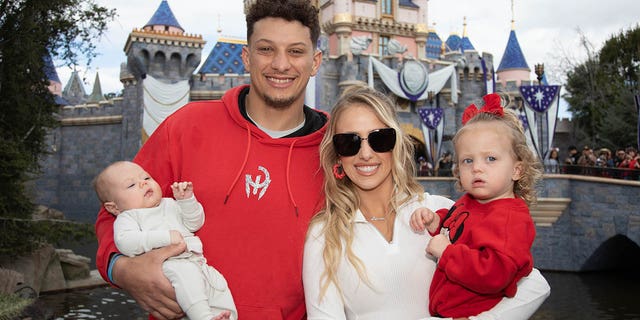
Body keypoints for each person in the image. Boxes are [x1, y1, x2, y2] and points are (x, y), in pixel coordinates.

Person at [94, 1, 327, 319]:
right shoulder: (186, 127)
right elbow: (114, 211)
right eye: (266, 49)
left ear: (315, 62)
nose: (281, 64)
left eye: (296, 51)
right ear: (247, 57)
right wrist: (120, 268)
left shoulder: (339, 147)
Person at [303, 86, 550, 319]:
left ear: (396, 144)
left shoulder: (439, 212)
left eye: (380, 139)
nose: (366, 154)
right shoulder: (325, 235)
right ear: (337, 154)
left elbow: (534, 284)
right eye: (349, 142)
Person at [410, 93, 544, 318]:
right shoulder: (471, 202)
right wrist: (436, 221)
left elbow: (495, 274)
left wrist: (447, 253)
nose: (477, 168)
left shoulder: (510, 218)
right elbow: (457, 228)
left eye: (490, 159)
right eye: (468, 160)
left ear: (517, 170)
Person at [93, 161, 236, 320]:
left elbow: (194, 223)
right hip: (171, 265)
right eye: (131, 185)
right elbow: (126, 243)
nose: (143, 183)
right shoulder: (128, 217)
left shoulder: (170, 204)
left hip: (198, 262)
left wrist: (187, 201)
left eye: (146, 177)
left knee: (218, 287)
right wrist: (166, 237)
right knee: (188, 279)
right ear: (114, 208)